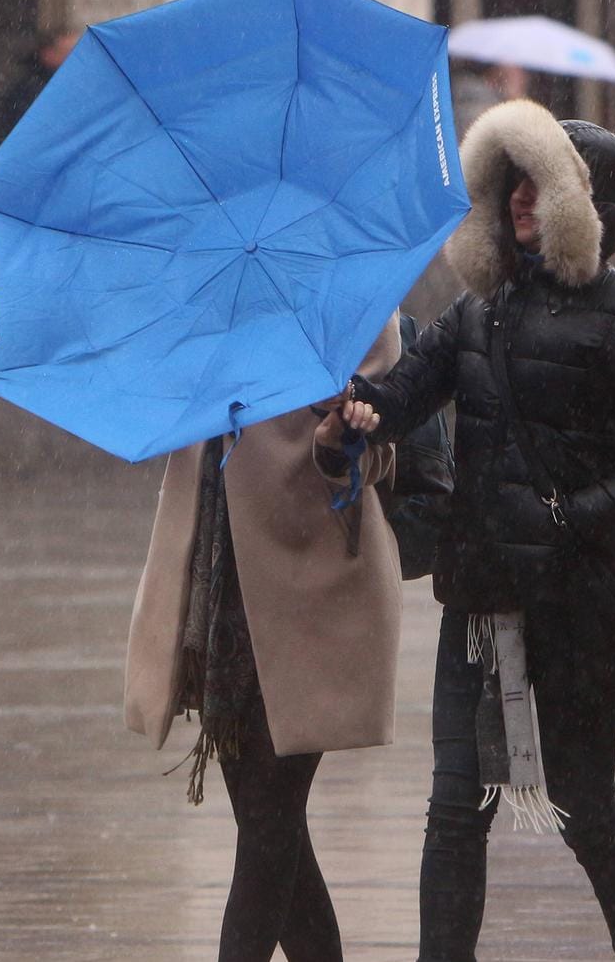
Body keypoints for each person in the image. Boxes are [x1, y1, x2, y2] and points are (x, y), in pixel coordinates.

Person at [346, 101, 615, 962]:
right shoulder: (478, 309)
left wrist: (580, 517)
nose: (520, 197)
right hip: (479, 600)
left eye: (540, 181)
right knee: (453, 810)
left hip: (576, 607)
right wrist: (360, 410)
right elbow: (405, 395)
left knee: (587, 810)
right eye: (512, 179)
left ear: (587, 205)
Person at [123, 323, 402, 962]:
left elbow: (386, 446)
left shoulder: (347, 291)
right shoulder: (210, 288)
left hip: (313, 585)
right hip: (220, 589)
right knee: (272, 834)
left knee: (270, 826)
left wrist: (342, 438)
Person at [0, 27, 79, 155]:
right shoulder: (32, 88)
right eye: (69, 52)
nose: (76, 57)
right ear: (48, 54)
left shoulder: (72, 83)